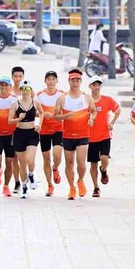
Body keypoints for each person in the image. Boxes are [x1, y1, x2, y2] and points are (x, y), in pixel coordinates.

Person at [54, 69, 96, 200]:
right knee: (69, 163)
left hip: (83, 134)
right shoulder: (62, 98)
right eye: (73, 80)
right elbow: (56, 116)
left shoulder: (86, 97)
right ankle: (72, 187)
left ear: (81, 82)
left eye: (78, 80)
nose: (75, 83)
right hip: (67, 135)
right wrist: (65, 116)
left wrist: (92, 118)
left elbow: (94, 111)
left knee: (81, 163)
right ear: (69, 81)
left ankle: (81, 180)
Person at [8, 80, 44, 199]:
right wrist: (18, 118)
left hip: (32, 133)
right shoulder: (15, 103)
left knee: (30, 158)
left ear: (30, 91)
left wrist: (39, 124)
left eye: (27, 89)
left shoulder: (35, 102)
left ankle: (31, 174)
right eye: (23, 89)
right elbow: (9, 121)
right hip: (19, 134)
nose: (25, 92)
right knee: (22, 163)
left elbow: (42, 113)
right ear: (20, 90)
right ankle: (24, 187)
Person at [88, 76, 121, 198]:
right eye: (94, 85)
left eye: (98, 85)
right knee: (93, 164)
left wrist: (112, 123)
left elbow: (118, 110)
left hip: (105, 135)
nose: (96, 87)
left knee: (104, 158)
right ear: (90, 86)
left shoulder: (107, 100)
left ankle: (103, 170)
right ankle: (96, 187)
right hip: (90, 137)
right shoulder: (86, 101)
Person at [37, 71, 65, 197]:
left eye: (53, 79)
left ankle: (56, 167)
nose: (51, 81)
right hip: (44, 130)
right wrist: (42, 114)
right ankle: (49, 185)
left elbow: (68, 108)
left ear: (56, 81)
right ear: (45, 81)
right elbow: (34, 111)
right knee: (46, 158)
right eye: (48, 79)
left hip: (59, 128)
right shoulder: (40, 96)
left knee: (57, 155)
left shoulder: (61, 95)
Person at [10, 66, 26, 192]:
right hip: (12, 129)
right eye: (16, 76)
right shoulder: (8, 92)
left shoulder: (28, 91)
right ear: (12, 77)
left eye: (20, 76)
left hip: (26, 129)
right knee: (14, 156)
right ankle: (16, 182)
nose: (18, 79)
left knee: (24, 157)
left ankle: (25, 177)